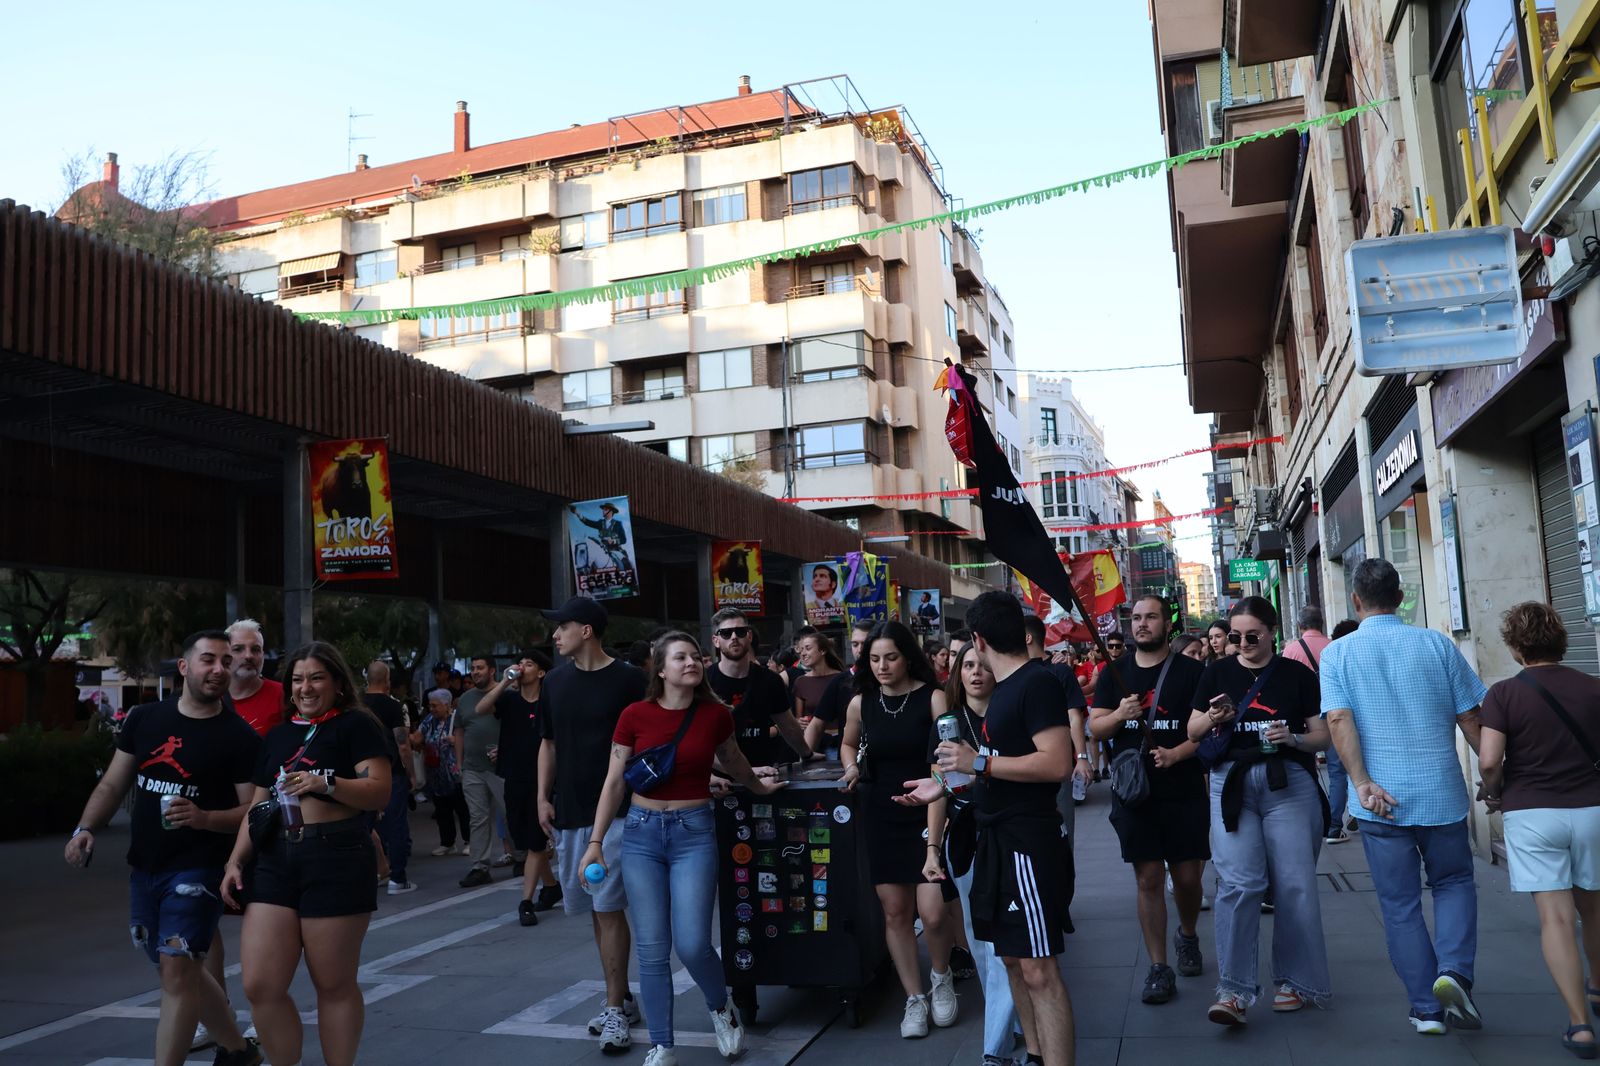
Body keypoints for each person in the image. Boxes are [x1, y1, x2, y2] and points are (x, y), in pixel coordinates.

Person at [65, 630, 262, 1066]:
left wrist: (206, 818)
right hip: (146, 867)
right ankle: (237, 1049)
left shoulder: (238, 737)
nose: (219, 670)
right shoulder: (144, 719)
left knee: (176, 972)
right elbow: (113, 783)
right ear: (185, 667)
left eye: (226, 662)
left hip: (198, 870)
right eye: (209, 660)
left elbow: (253, 809)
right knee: (179, 968)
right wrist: (85, 827)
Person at [582, 632, 780, 1066]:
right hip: (640, 833)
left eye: (694, 656)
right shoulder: (634, 715)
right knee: (652, 948)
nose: (691, 662)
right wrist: (595, 843)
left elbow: (734, 762)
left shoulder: (714, 716)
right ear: (660, 667)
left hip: (694, 832)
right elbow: (614, 781)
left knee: (692, 943)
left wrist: (760, 787)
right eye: (680, 657)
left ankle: (720, 1008)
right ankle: (662, 1043)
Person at [900, 591, 1077, 1066]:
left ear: (978, 637)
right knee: (1013, 961)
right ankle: (1035, 1055)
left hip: (1028, 845)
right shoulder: (1007, 689)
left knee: (1039, 968)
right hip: (996, 840)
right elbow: (992, 770)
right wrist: (944, 786)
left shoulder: (1033, 684)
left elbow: (1059, 762)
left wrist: (978, 762)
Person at [1319, 558, 1489, 1036]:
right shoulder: (1436, 644)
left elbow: (1337, 720)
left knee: (1399, 904)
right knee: (1454, 883)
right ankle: (1453, 972)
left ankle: (1426, 1009)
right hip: (1441, 794)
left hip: (1379, 800)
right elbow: (1472, 718)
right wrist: (1495, 778)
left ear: (1356, 601)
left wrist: (1360, 782)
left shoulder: (1338, 653)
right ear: (1400, 597)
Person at [221, 641, 393, 1066]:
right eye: (297, 679)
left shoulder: (357, 725)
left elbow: (379, 791)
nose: (306, 688)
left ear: (336, 682)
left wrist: (325, 783)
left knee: (333, 983)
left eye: (316, 677)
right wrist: (235, 860)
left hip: (336, 855)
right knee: (260, 984)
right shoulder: (279, 735)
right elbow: (259, 806)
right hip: (275, 859)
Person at [1186, 596, 1331, 1026]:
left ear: (1272, 632)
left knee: (1294, 885)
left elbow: (1322, 735)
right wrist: (1213, 718)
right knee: (1237, 884)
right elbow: (1192, 731)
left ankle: (1293, 981)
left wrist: (1293, 738)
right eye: (1235, 637)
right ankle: (1233, 990)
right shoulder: (1216, 672)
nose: (1243, 643)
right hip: (1231, 784)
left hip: (1287, 782)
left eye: (1253, 635)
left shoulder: (1297, 675)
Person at [1478, 602, 1600, 1058]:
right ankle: (1598, 986)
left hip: (1532, 813)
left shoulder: (1504, 694)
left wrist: (1493, 793)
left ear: (1514, 645)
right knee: (1595, 908)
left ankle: (1580, 1025)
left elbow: (1490, 760)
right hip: (1592, 809)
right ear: (1560, 639)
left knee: (1556, 918)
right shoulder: (1593, 688)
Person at [839, 619, 959, 1037]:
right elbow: (848, 742)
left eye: (890, 656)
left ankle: (941, 977)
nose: (882, 666)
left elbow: (946, 762)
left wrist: (935, 837)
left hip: (929, 808)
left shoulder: (934, 697)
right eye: (873, 659)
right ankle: (914, 998)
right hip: (880, 811)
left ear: (908, 656)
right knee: (895, 912)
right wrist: (851, 766)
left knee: (934, 912)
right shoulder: (862, 703)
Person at [538, 595, 647, 1052]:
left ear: (586, 630)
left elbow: (647, 740)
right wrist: (543, 797)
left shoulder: (630, 680)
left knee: (607, 906)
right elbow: (548, 743)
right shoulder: (553, 682)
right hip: (569, 812)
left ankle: (616, 1009)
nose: (554, 635)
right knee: (596, 912)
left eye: (560, 626)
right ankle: (619, 996)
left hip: (617, 812)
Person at [1090, 595, 1210, 1006]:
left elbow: (1208, 730)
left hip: (1183, 788)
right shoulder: (1114, 674)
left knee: (1189, 878)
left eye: (1150, 617)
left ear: (1166, 624)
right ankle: (1159, 967)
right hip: (1134, 792)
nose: (1142, 624)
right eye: (1136, 618)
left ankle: (1188, 934)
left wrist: (1177, 753)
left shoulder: (1192, 671)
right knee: (1148, 879)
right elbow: (1096, 728)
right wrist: (1119, 716)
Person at [925, 643, 1030, 1066]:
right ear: (956, 673)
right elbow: (938, 790)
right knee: (978, 936)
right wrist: (933, 848)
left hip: (1013, 833)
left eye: (983, 665)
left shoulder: (1012, 716)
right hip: (965, 838)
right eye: (967, 665)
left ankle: (995, 1048)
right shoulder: (947, 725)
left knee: (1005, 941)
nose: (976, 672)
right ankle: (1010, 1020)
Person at [479, 650, 561, 923]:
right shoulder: (510, 700)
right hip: (513, 776)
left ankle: (525, 901)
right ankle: (551, 888)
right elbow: (481, 709)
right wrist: (504, 681)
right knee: (524, 840)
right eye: (521, 663)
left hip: (543, 780)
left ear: (540, 673)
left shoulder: (549, 703)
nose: (522, 667)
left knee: (537, 842)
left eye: (529, 664)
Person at [708, 608, 814, 767]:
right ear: (716, 640)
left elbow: (788, 726)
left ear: (749, 636)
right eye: (726, 633)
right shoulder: (704, 681)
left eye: (740, 631)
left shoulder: (770, 680)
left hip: (765, 771)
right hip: (721, 778)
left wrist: (807, 754)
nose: (734, 637)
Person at [1023, 614, 1091, 832]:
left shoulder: (1060, 671)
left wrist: (1081, 757)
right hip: (1022, 767)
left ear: (1026, 638)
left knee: (1062, 831)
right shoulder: (1013, 674)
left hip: (1057, 765)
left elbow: (1074, 716)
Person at [455, 655, 515, 888]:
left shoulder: (506, 696)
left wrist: (506, 749)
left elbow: (517, 729)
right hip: (472, 768)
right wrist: (459, 764)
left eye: (480, 668)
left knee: (510, 813)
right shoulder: (465, 699)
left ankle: (520, 856)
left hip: (502, 767)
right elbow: (459, 731)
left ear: (492, 671)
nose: (475, 672)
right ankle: (479, 866)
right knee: (478, 818)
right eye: (472, 668)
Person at [362, 660, 416, 895]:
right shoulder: (394, 707)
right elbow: (403, 745)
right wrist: (411, 773)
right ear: (387, 681)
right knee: (396, 824)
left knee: (363, 824)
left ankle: (367, 874)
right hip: (391, 771)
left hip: (361, 773)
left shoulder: (356, 706)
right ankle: (398, 878)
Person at [413, 688, 470, 854]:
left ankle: (469, 841)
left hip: (455, 772)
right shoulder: (429, 720)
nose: (431, 709)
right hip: (436, 773)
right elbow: (417, 737)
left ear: (446, 705)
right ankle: (447, 843)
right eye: (430, 705)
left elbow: (471, 738)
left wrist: (457, 741)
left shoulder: (457, 718)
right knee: (442, 810)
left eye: (435, 706)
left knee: (462, 809)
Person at [228, 619, 283, 736]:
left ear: (263, 655)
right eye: (238, 649)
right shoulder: (210, 697)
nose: (248, 656)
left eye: (255, 649)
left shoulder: (284, 695)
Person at [793, 628, 845, 743]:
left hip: (840, 741)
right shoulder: (800, 682)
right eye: (801, 650)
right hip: (814, 742)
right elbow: (798, 718)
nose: (803, 653)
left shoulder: (842, 678)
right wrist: (799, 722)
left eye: (808, 648)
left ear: (822, 651)